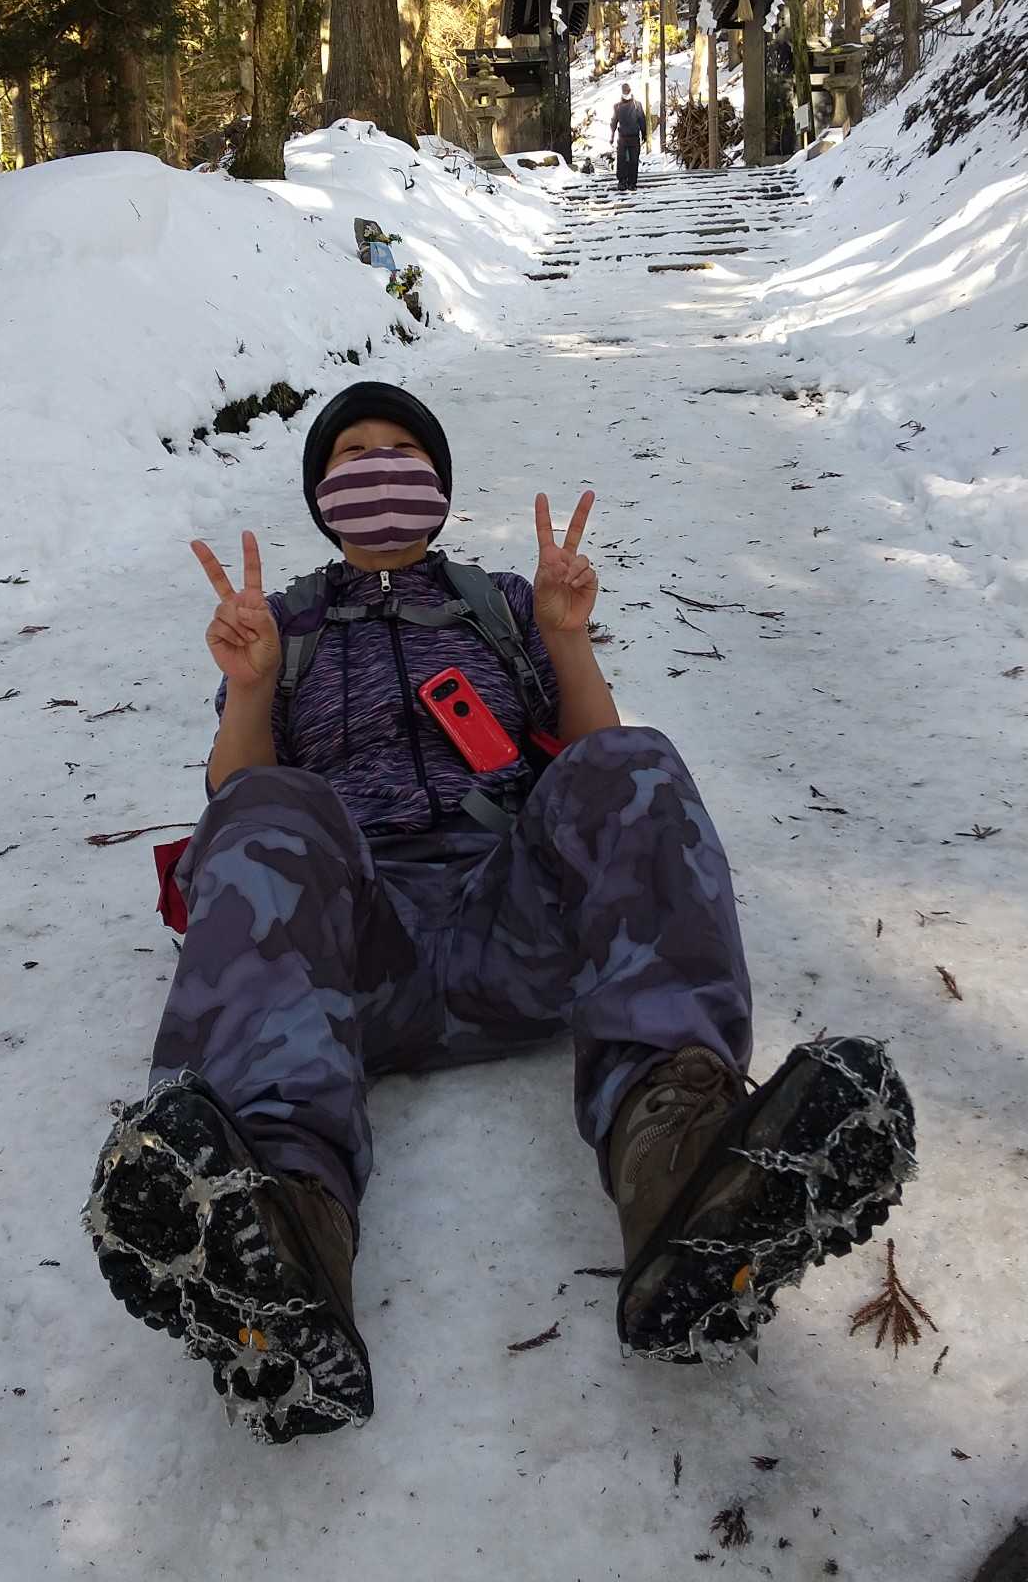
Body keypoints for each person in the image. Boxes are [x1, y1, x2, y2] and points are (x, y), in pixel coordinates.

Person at [84, 380, 915, 1444]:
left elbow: (597, 760)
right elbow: (235, 803)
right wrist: (251, 686)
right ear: (320, 493)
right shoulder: (282, 625)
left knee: (633, 761)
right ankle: (276, 1228)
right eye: (351, 452)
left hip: (513, 934)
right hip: (351, 966)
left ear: (436, 482)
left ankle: (682, 1162)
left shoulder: (501, 605)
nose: (377, 465)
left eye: (398, 448)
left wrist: (566, 637)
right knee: (266, 806)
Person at [610, 82, 647, 192]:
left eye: (627, 90)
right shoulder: (630, 105)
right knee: (625, 160)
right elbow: (614, 122)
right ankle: (627, 182)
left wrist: (644, 133)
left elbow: (642, 120)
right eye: (625, 91)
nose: (626, 93)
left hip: (629, 137)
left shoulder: (634, 105)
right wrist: (644, 134)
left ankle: (628, 182)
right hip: (626, 137)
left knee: (630, 160)